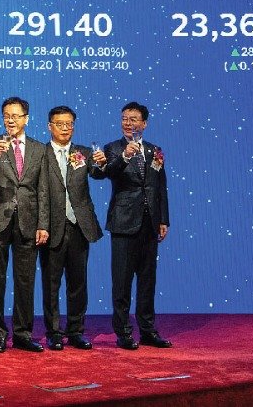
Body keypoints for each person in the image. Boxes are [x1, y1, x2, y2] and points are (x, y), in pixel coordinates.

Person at [100, 101, 172, 350]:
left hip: (149, 224)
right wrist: (125, 156)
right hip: (123, 222)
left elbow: (160, 186)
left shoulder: (155, 151)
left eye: (133, 119)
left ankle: (148, 330)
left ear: (144, 123)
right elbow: (108, 172)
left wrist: (163, 219)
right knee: (121, 282)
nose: (128, 123)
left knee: (147, 281)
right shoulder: (113, 148)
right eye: (124, 119)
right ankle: (123, 332)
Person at [0, 96, 50, 353]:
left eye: (15, 116)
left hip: (28, 221)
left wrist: (43, 224)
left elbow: (43, 189)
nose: (10, 120)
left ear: (26, 119)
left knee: (25, 280)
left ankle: (22, 333)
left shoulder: (39, 149)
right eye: (6, 116)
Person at [38, 106, 105, 351]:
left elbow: (97, 173)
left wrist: (101, 164)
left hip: (79, 226)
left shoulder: (83, 152)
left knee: (78, 282)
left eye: (69, 124)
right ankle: (54, 332)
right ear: (50, 126)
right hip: (51, 227)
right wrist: (41, 225)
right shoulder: (41, 153)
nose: (65, 128)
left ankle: (76, 331)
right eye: (60, 124)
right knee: (51, 284)